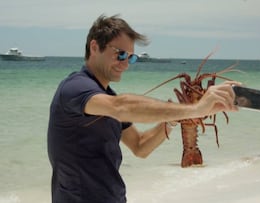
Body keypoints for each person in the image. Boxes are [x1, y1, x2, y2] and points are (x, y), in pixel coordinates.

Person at [47, 14, 239, 203]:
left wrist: (174, 118)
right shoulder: (74, 88)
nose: (125, 64)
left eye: (131, 58)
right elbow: (122, 107)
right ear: (95, 47)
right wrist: (197, 109)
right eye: (120, 54)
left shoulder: (107, 98)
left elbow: (140, 146)